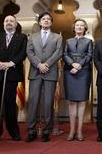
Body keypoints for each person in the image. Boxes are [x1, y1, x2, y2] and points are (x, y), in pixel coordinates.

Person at [0, 15, 27, 143]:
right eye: (6, 21)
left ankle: (14, 131)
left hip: (12, 74)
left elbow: (23, 53)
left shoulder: (22, 37)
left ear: (16, 24)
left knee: (10, 105)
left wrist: (11, 63)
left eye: (11, 21)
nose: (8, 23)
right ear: (3, 24)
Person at [26, 12, 63, 142]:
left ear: (51, 22)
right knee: (33, 102)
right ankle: (31, 130)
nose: (46, 21)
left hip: (50, 72)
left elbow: (58, 52)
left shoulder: (57, 37)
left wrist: (46, 64)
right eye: (44, 19)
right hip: (35, 72)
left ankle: (47, 131)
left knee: (48, 103)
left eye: (48, 19)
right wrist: (38, 64)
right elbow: (29, 52)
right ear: (40, 22)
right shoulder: (32, 36)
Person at [63, 19, 93, 141]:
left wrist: (79, 65)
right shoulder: (68, 41)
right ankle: (71, 131)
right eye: (77, 25)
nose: (79, 27)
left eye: (82, 25)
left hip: (84, 72)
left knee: (81, 102)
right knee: (71, 102)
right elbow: (64, 54)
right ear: (74, 28)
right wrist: (72, 65)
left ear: (85, 28)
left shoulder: (89, 41)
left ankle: (79, 131)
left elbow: (89, 55)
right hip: (69, 72)